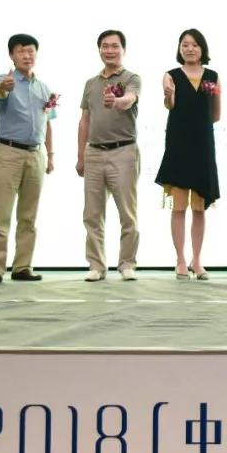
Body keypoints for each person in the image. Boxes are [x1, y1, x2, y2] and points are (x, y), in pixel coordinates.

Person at [0, 34, 57, 285]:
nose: (27, 55)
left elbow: (48, 123)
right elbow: (0, 92)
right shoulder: (4, 80)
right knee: (1, 213)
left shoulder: (43, 88)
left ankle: (22, 266)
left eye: (31, 51)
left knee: (29, 216)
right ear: (11, 56)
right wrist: (5, 87)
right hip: (8, 153)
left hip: (36, 154)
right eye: (21, 51)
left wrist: (50, 155)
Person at [154, 29, 221, 281]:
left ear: (202, 48)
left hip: (203, 147)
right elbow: (169, 105)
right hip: (178, 146)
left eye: (194, 45)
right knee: (179, 208)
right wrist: (169, 96)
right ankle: (180, 259)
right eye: (185, 45)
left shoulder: (213, 76)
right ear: (179, 48)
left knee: (200, 208)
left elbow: (216, 115)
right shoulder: (170, 75)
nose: (189, 49)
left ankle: (197, 259)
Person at [77, 29, 142, 283]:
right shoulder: (91, 83)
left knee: (127, 213)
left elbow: (130, 99)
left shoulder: (131, 78)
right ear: (99, 50)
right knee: (92, 214)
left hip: (123, 151)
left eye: (115, 46)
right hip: (94, 152)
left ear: (123, 49)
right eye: (105, 46)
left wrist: (116, 101)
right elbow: (85, 120)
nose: (110, 50)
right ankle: (96, 265)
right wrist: (81, 155)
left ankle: (127, 264)